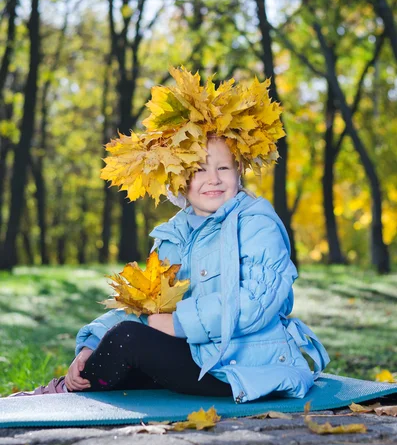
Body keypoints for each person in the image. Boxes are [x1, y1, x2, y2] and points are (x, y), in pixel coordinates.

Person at [10, 67, 329, 403]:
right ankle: (73, 387)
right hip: (196, 358)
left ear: (239, 172)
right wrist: (92, 344)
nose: (213, 179)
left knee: (129, 339)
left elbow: (255, 304)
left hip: (244, 368)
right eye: (199, 170)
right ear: (179, 180)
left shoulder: (256, 222)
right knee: (121, 340)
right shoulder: (174, 233)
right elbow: (146, 306)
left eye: (224, 168)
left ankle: (69, 395)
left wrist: (177, 325)